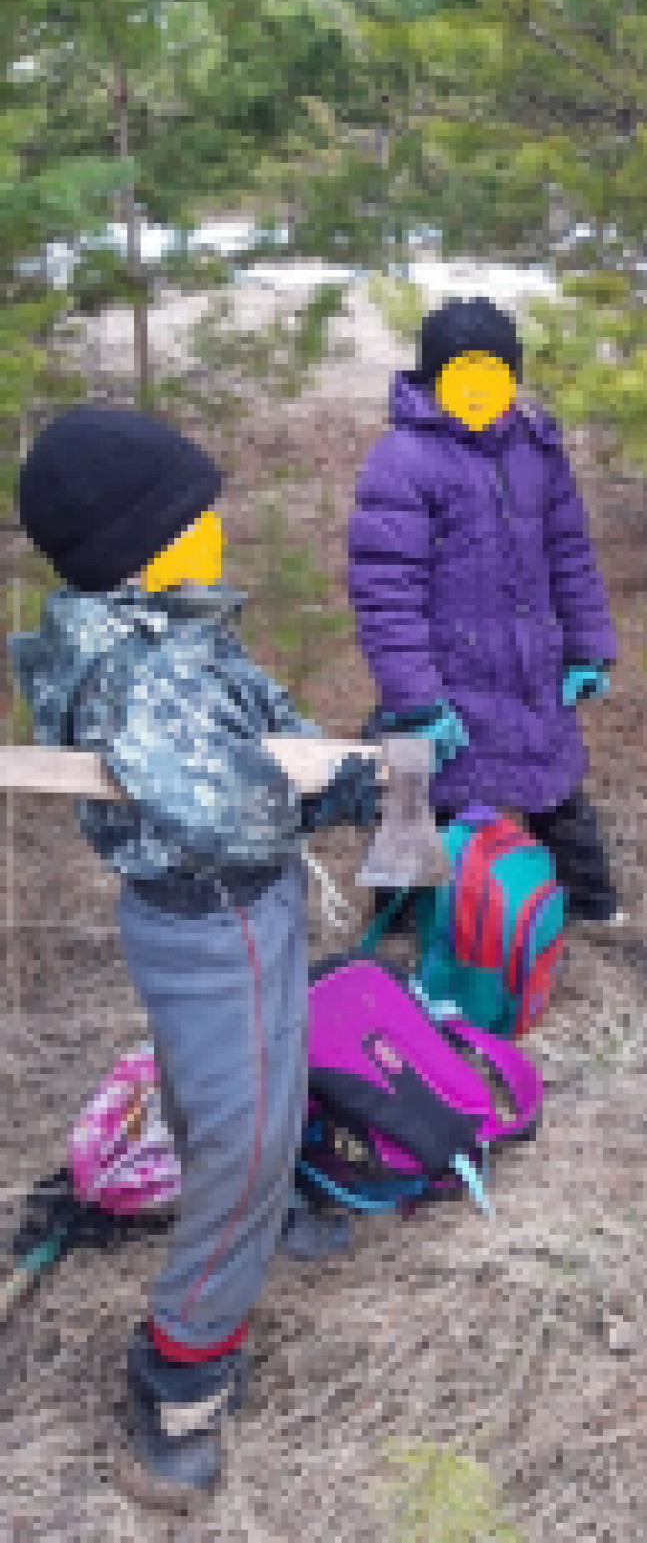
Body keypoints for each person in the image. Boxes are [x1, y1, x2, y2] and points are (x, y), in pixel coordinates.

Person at [11, 406, 378, 1514]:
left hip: (218, 915)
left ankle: (248, 1212)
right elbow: (225, 812)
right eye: (195, 516)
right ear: (138, 549)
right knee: (247, 1125)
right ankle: (182, 1373)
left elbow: (257, 725)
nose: (219, 524)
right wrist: (329, 800)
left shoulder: (167, 632)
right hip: (213, 913)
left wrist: (332, 753)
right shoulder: (137, 676)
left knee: (228, 1092)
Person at [347, 295, 621, 926]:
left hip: (529, 669)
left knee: (552, 785)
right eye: (460, 371)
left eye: (491, 371)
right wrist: (414, 697)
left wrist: (587, 646)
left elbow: (570, 553)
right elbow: (386, 593)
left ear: (512, 376)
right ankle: (400, 921)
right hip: (442, 676)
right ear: (432, 378)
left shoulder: (537, 449)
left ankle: (589, 909)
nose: (476, 387)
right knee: (418, 793)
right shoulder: (402, 461)